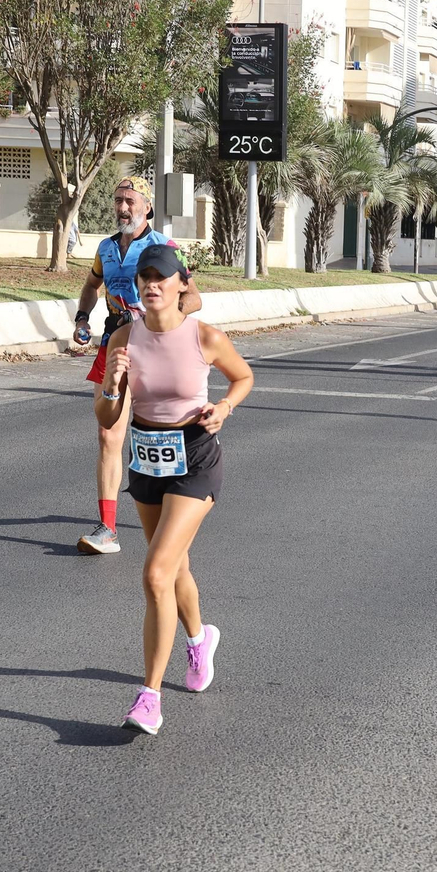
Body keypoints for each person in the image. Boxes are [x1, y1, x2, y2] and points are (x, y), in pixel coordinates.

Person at [96, 244, 254, 736]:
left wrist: (224, 408)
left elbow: (243, 376)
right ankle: (199, 637)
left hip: (196, 457)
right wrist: (112, 385)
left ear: (182, 282)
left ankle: (149, 697)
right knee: (175, 566)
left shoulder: (204, 337)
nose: (151, 284)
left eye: (161, 276)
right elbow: (105, 419)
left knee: (156, 572)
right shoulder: (124, 337)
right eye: (144, 277)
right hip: (147, 457)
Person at [73, 177, 203, 555]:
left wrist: (159, 319)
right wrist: (82, 318)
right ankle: (108, 529)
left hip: (154, 345)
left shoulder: (163, 246)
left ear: (146, 206)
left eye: (130, 200)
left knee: (160, 429)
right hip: (114, 343)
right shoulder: (106, 247)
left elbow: (193, 297)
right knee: (108, 432)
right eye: (118, 201)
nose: (122, 207)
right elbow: (91, 286)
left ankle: (175, 502)